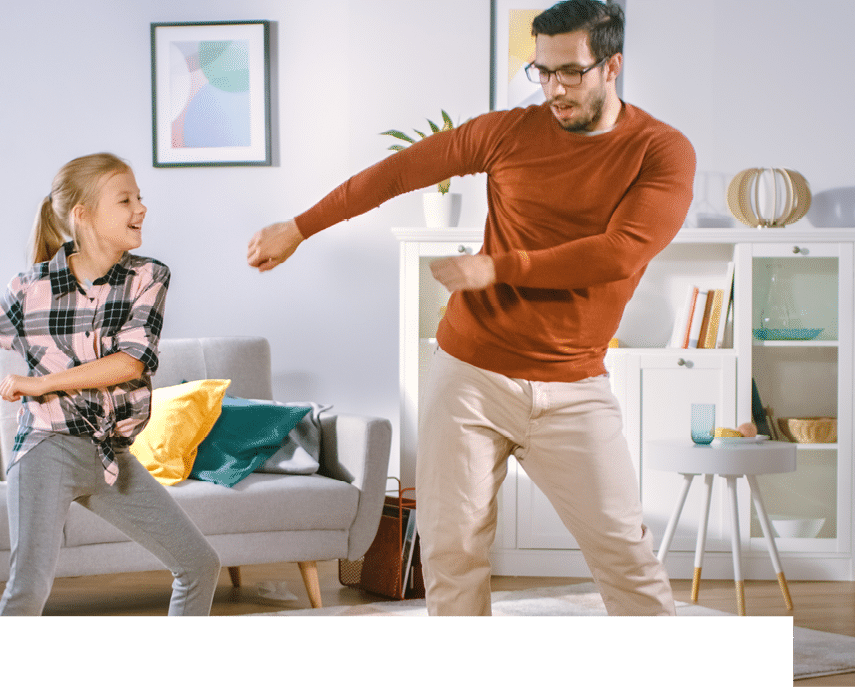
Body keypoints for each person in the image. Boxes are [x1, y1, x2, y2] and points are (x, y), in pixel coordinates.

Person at [246, 0, 694, 617]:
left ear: (612, 65)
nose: (555, 89)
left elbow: (617, 254)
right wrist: (300, 226)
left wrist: (498, 267)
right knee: (453, 551)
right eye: (542, 71)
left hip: (573, 386)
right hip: (471, 376)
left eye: (571, 72)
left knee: (623, 550)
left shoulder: (661, 151)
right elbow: (397, 173)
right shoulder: (508, 132)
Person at [0, 153, 220, 617]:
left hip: (107, 454)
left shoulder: (148, 277)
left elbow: (132, 362)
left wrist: (42, 384)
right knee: (27, 590)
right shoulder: (30, 288)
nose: (140, 209)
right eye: (125, 200)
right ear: (83, 215)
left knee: (199, 564)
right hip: (45, 449)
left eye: (140, 198)